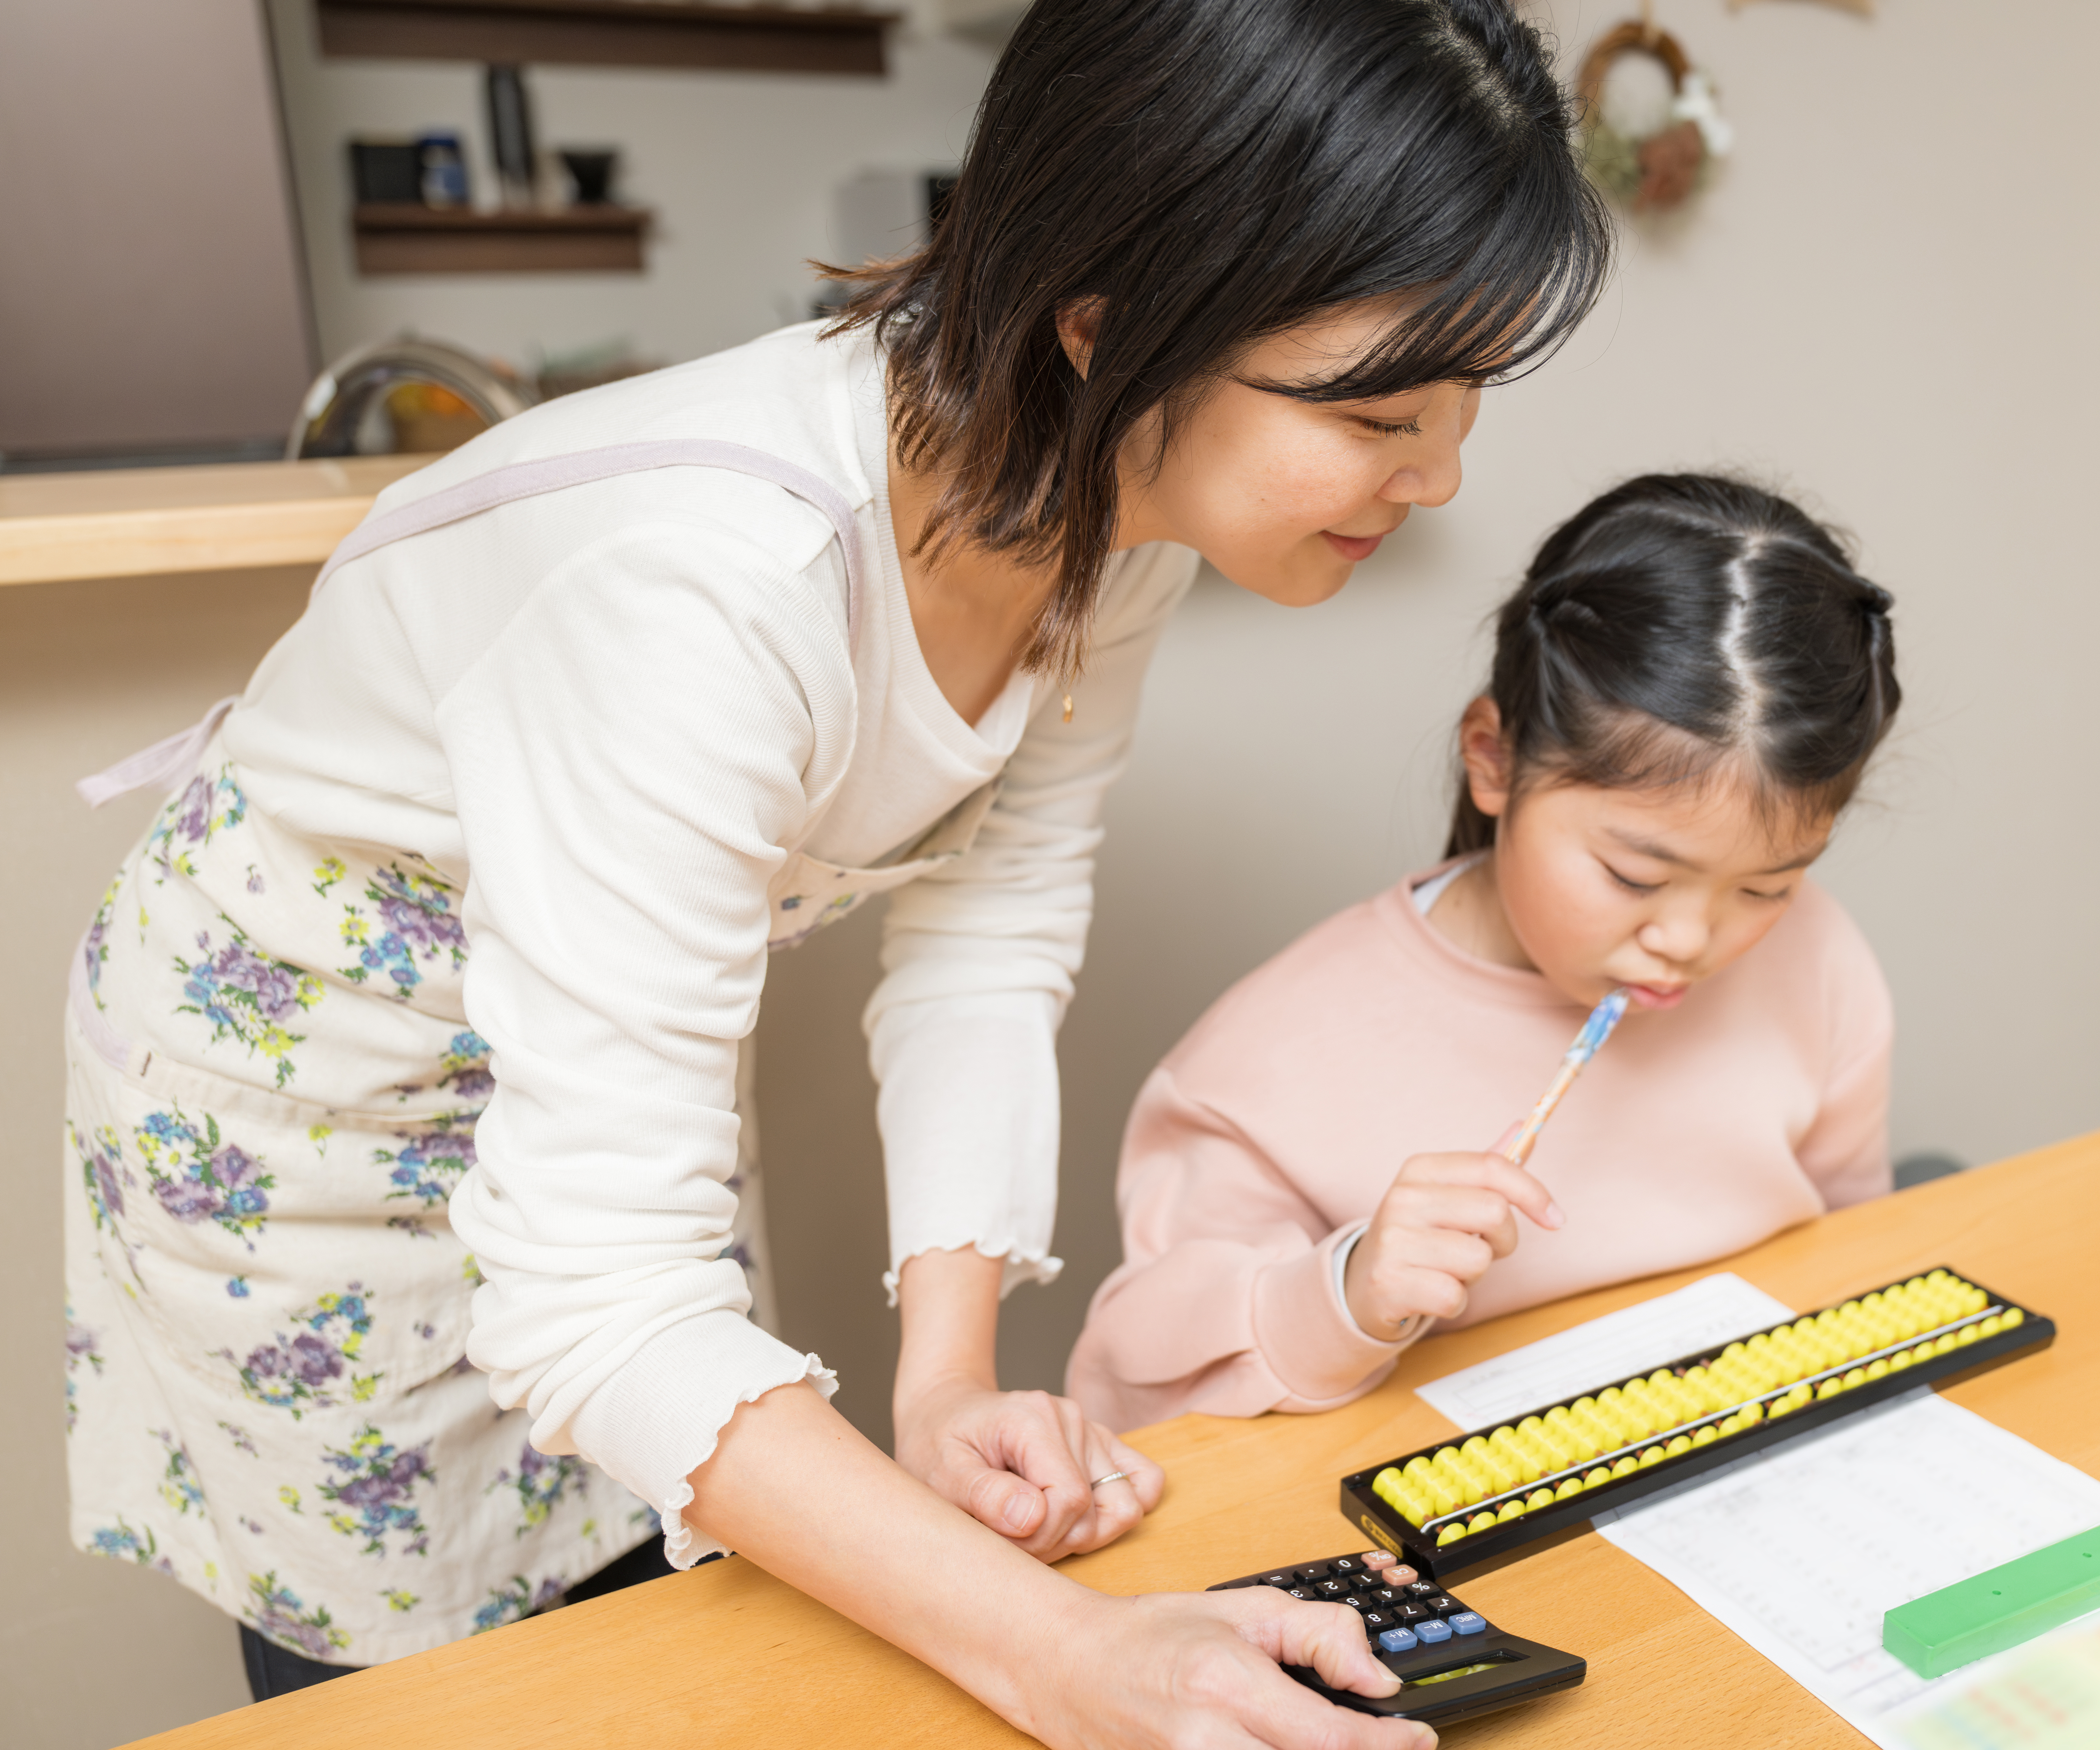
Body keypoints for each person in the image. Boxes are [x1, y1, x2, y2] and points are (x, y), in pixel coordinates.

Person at [61, 1, 1607, 1740]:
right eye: (1383, 411)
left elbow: (987, 925)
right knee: (429, 1691)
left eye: (1462, 404)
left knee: (678, 1600)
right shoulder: (704, 590)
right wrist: (1070, 1655)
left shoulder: (1120, 517)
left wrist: (946, 1384)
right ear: (1109, 328)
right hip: (307, 1114)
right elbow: (605, 1299)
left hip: (580, 1070)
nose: (1441, 475)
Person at [1066, 474, 1901, 1430]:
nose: (1688, 941)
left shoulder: (1815, 960)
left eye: (1765, 888)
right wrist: (1347, 1294)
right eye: (1634, 876)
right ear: (1494, 759)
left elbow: (1863, 1252)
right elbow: (1136, 1398)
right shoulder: (1257, 1074)